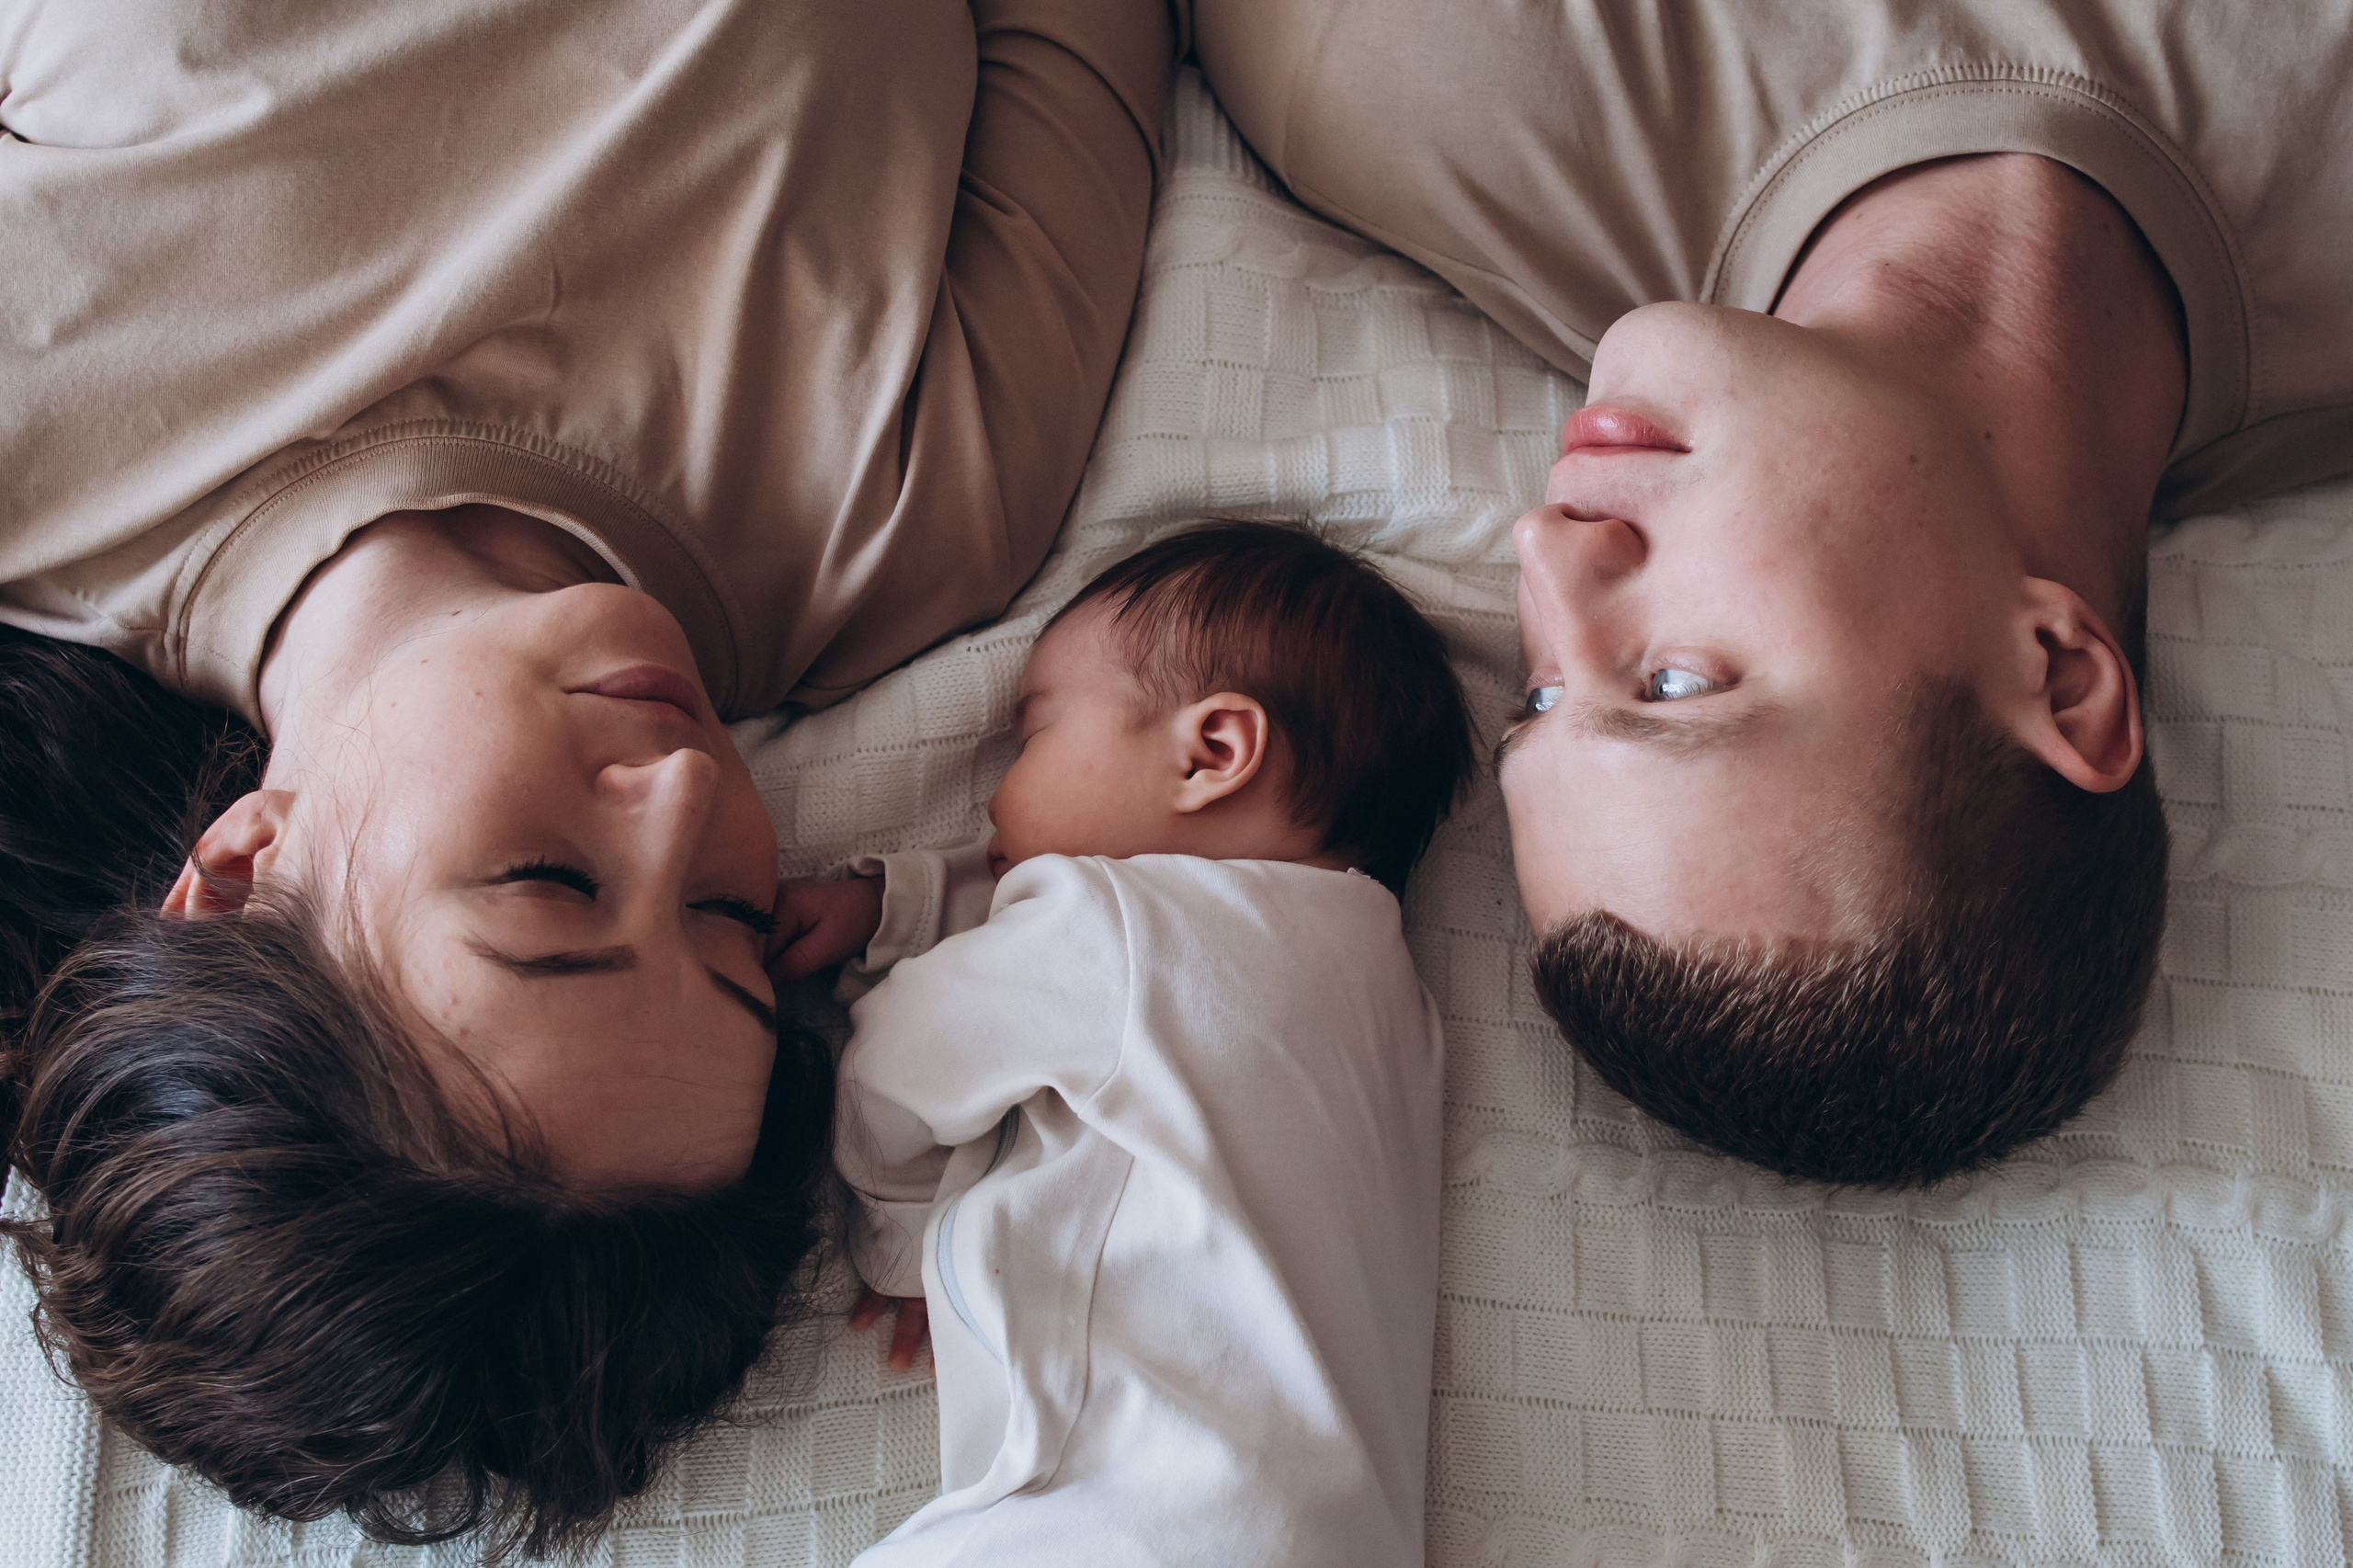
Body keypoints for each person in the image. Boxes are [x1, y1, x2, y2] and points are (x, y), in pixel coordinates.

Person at [0, 0, 1176, 1555]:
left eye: (548, 887)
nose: (688, 796)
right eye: (728, 928)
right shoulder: (908, 506)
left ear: (237, 868)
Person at [1192, 0, 2353, 1185]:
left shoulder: (1394, 68)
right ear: (2057, 678)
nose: (1547, 550)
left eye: (1536, 698)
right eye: (1677, 682)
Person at [768, 523, 1478, 1566]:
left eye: (1035, 735)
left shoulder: (1111, 927)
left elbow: (897, 1070)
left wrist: (904, 1243)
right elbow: (1080, 929)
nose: (998, 792)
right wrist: (895, 905)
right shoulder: (1393, 1000)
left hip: (1125, 1524)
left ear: (1211, 753)